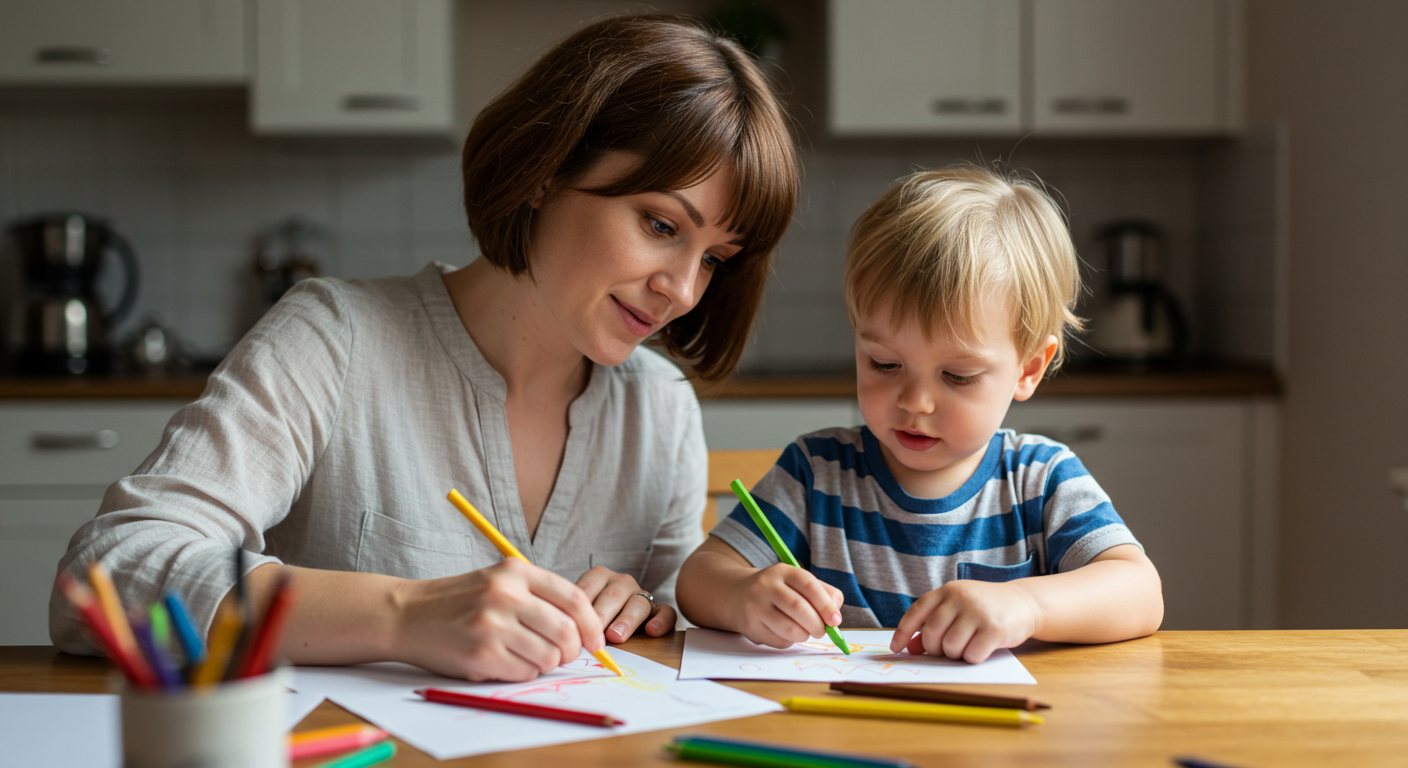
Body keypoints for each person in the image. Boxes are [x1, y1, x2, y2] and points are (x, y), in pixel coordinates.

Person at [50, 15, 798, 682]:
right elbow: (104, 577)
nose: (684, 291)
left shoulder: (659, 409)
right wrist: (401, 615)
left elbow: (676, 635)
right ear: (546, 170)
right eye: (662, 226)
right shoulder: (335, 339)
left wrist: (646, 610)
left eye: (714, 258)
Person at [677, 167, 1163, 663]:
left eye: (957, 376)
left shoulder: (1040, 479)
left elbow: (1140, 591)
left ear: (1028, 369)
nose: (915, 402)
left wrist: (1027, 604)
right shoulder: (816, 473)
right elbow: (699, 578)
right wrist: (744, 596)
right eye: (884, 364)